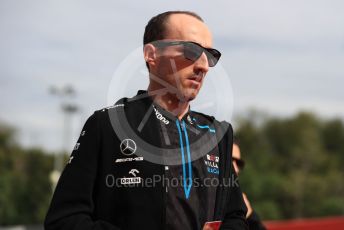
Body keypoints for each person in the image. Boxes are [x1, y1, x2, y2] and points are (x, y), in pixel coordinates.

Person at [45, 11, 248, 230]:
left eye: (210, 56)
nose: (204, 66)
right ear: (151, 54)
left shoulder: (218, 134)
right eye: (191, 51)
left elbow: (235, 217)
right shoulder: (108, 124)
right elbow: (64, 220)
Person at [232, 141, 267, 230]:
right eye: (231, 160)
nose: (236, 169)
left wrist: (250, 217)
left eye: (238, 163)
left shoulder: (240, 201)